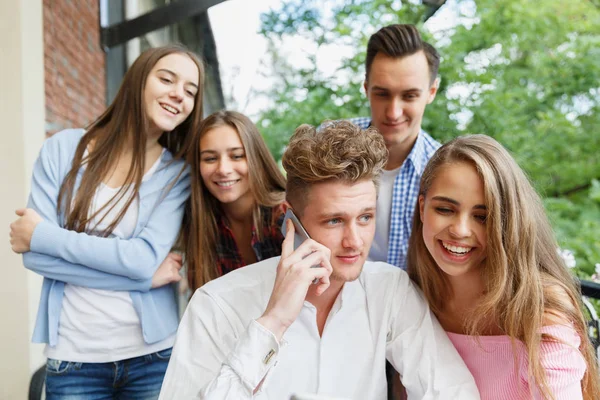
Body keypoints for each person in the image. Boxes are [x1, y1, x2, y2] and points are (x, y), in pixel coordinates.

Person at [159, 121, 479, 399]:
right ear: (291, 222)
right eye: (334, 221)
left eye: (365, 218)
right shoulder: (216, 304)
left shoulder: (389, 290)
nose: (354, 241)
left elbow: (452, 390)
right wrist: (273, 322)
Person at [8, 44, 204, 399]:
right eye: (167, 79)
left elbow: (141, 259)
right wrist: (141, 279)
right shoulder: (62, 150)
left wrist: (43, 235)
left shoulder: (176, 175)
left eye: (191, 91)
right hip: (72, 359)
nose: (179, 95)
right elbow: (34, 257)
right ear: (138, 81)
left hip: (153, 356)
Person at [407, 134, 600, 399]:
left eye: (482, 216)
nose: (460, 230)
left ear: (507, 222)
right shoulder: (414, 297)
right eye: (445, 209)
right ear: (422, 208)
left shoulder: (540, 310)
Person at [346, 23, 441, 269]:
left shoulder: (444, 170)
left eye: (409, 96)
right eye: (382, 94)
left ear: (431, 91)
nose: (393, 112)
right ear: (366, 88)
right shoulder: (328, 146)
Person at [183, 110, 287, 291]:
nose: (223, 169)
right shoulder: (200, 223)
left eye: (237, 156)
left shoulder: (285, 215)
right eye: (210, 158)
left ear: (256, 158)